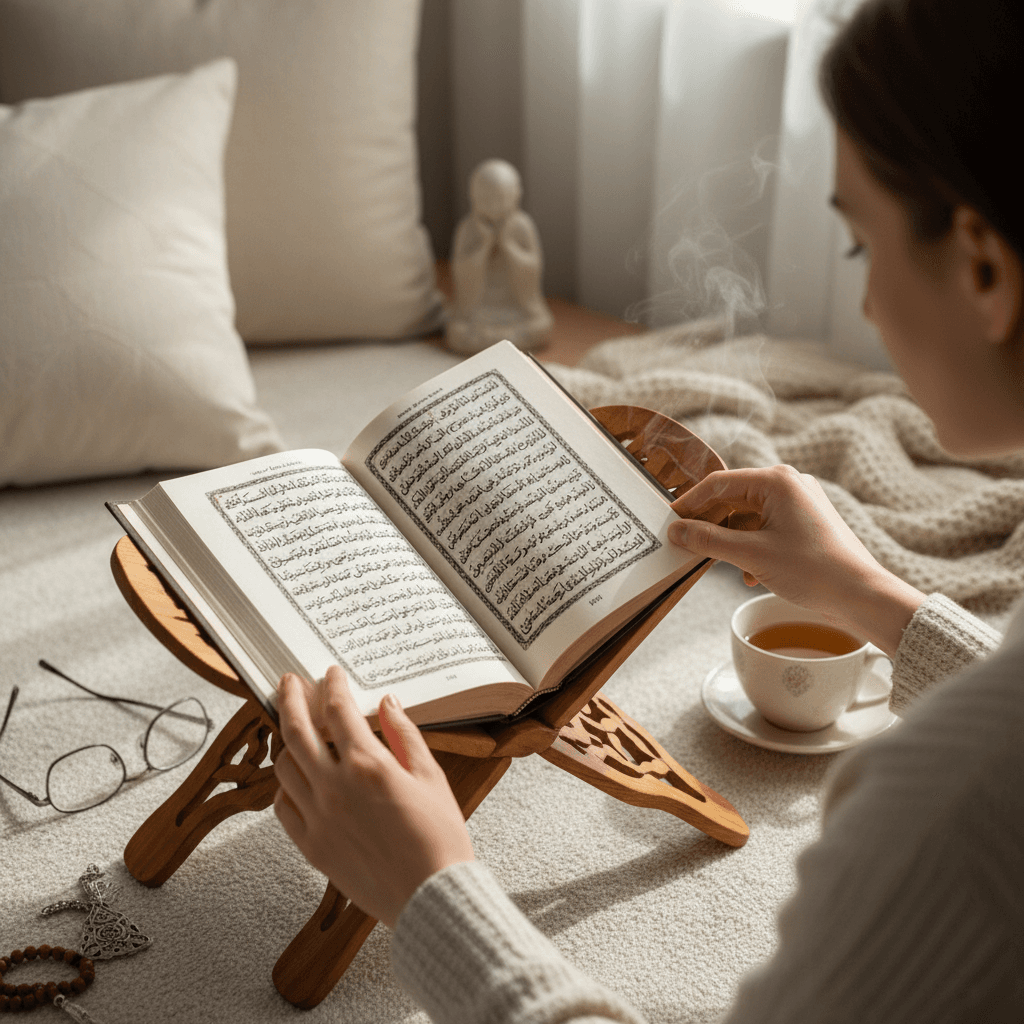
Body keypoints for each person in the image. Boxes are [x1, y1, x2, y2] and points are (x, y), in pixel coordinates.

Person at [271, 0, 1023, 1019]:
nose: (866, 307)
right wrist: (871, 597)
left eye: (860, 249)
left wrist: (430, 889)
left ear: (981, 266)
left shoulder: (936, 814)